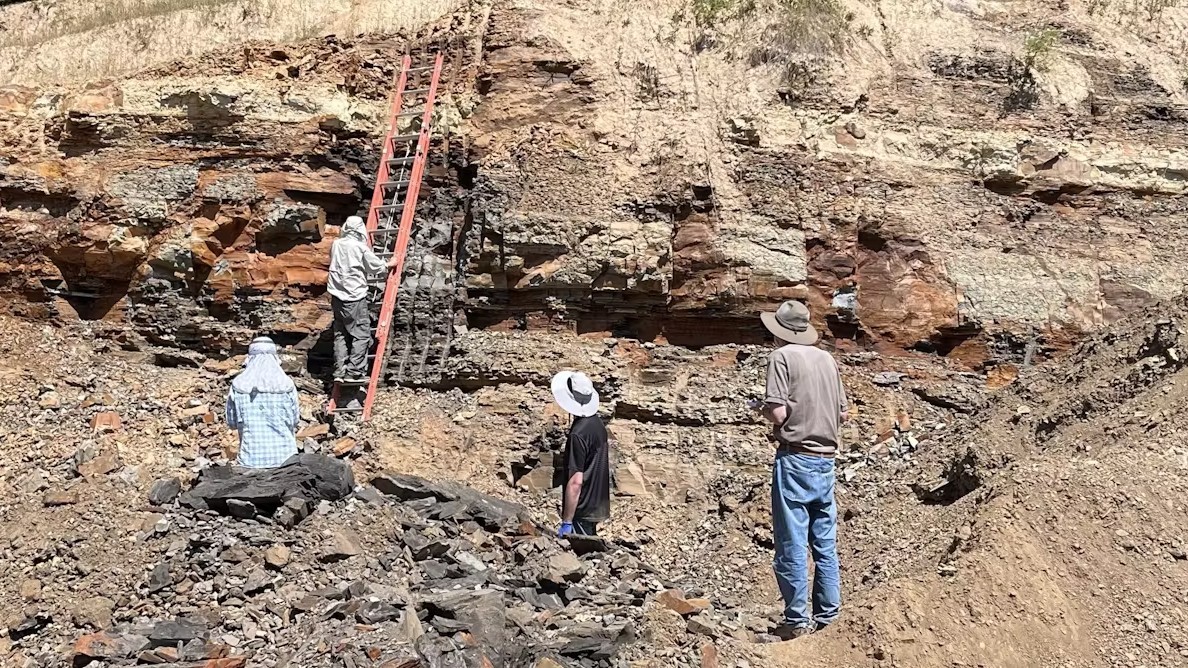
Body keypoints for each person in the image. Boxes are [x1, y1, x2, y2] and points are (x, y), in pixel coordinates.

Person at [754, 299, 849, 640]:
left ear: (779, 332)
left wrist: (762, 410)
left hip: (795, 458)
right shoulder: (827, 359)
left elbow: (779, 414)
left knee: (792, 540)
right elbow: (843, 414)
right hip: (826, 460)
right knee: (824, 542)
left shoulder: (780, 357)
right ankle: (829, 615)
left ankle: (797, 620)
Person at [327, 216, 398, 383]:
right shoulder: (359, 247)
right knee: (361, 335)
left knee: (341, 333)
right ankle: (354, 372)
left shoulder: (336, 244)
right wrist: (390, 263)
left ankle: (339, 370)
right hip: (354, 297)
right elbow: (376, 267)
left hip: (336, 296)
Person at [551, 370, 610, 537]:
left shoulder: (578, 434)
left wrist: (567, 522)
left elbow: (576, 482)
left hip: (581, 508)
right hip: (596, 505)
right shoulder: (598, 424)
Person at [225, 337, 300, 468]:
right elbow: (295, 421)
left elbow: (232, 423)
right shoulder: (287, 384)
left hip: (251, 460)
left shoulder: (238, 385)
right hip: (286, 460)